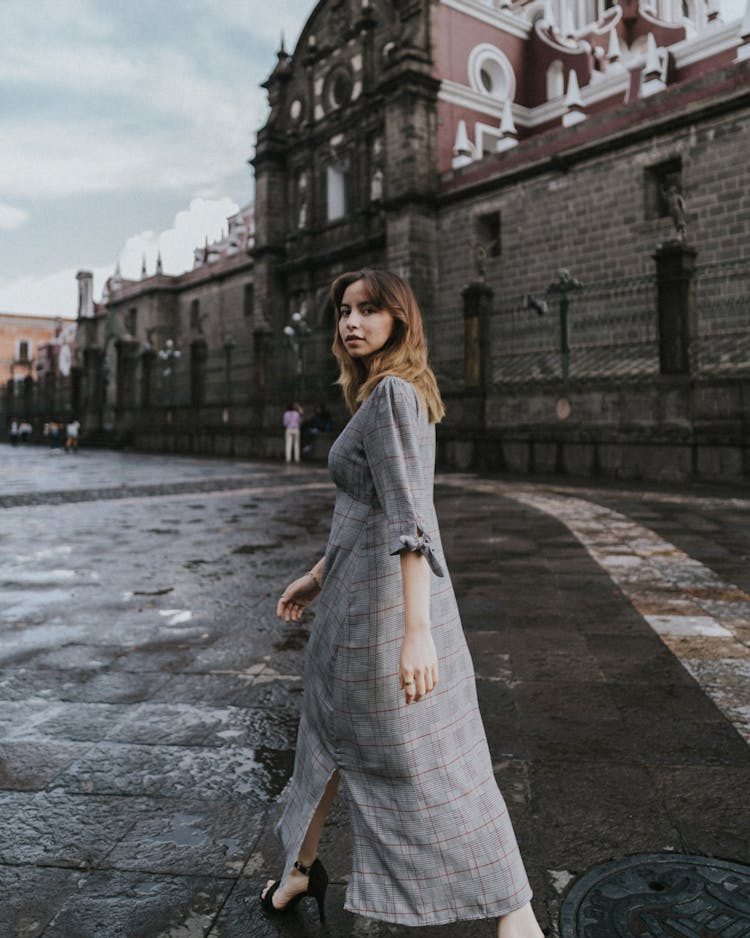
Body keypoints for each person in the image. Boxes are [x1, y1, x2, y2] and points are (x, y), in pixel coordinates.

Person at [261, 269, 543, 937]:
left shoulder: (390, 396)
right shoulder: (392, 394)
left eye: (369, 310)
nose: (351, 322)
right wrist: (318, 574)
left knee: (421, 765)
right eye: (344, 311)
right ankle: (301, 868)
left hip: (381, 618)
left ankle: (515, 912)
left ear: (400, 320)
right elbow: (370, 510)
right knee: (327, 742)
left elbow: (411, 521)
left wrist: (418, 632)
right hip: (354, 606)